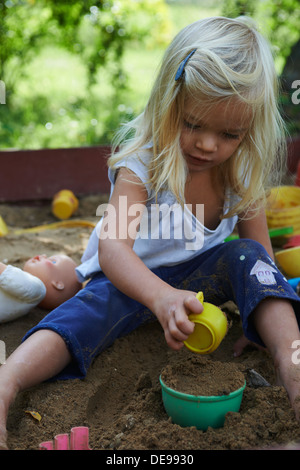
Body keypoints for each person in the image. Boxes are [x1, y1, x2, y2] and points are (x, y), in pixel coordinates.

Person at [1, 16, 300, 449]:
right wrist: (159, 297)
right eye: (193, 124)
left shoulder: (243, 168)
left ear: (249, 129)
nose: (207, 145)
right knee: (82, 315)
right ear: (167, 103)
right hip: (129, 281)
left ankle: (291, 364)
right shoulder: (143, 162)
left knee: (248, 259)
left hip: (201, 283)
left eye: (229, 134)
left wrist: (259, 315)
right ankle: (8, 383)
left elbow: (260, 254)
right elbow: (114, 250)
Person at [0, 254, 81, 323]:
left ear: (57, 284)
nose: (43, 255)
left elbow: (6, 274)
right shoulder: (24, 305)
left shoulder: (38, 290)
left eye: (53, 261)